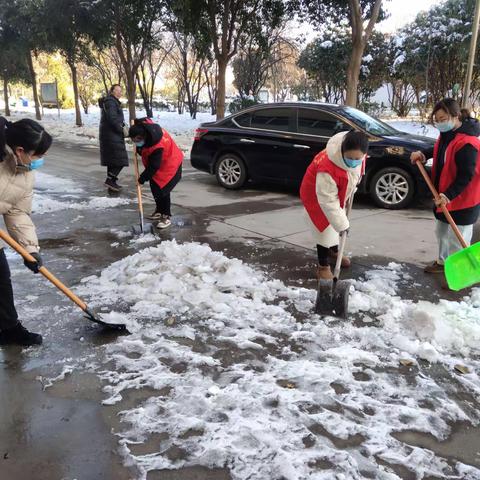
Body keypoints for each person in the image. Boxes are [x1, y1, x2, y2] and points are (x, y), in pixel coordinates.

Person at [410, 98, 480, 278]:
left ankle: (459, 274)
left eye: (443, 119)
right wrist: (423, 154)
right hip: (443, 196)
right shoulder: (448, 135)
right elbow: (438, 148)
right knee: (441, 232)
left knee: (457, 239)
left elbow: (466, 176)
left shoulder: (468, 143)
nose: (440, 123)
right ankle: (443, 263)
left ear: (456, 117)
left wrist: (448, 195)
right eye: (437, 120)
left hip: (463, 199)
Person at [0, 117, 53, 346]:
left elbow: (18, 213)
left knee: (1, 278)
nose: (40, 160)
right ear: (20, 150)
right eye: (38, 155)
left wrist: (29, 250)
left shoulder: (25, 173)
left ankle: (9, 329)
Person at [300, 130, 368, 280]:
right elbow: (327, 201)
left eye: (358, 158)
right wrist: (342, 224)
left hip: (336, 193)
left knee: (336, 221)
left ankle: (333, 250)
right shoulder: (327, 167)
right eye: (350, 158)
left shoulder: (359, 156)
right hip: (317, 196)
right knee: (324, 229)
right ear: (342, 151)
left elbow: (355, 171)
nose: (354, 161)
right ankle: (323, 266)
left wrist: (352, 187)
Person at [129, 118, 183, 229]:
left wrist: (142, 179)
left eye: (137, 140)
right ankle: (159, 211)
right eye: (133, 140)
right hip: (162, 162)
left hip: (171, 164)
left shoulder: (157, 145)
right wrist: (136, 121)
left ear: (143, 136)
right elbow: (145, 120)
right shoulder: (146, 128)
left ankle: (166, 216)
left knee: (163, 190)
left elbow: (153, 166)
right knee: (154, 186)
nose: (136, 143)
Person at [99, 84, 129, 192]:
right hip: (112, 135)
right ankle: (110, 180)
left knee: (113, 160)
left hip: (110, 135)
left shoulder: (111, 102)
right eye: (117, 90)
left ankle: (112, 182)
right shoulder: (111, 102)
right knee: (120, 159)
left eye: (121, 91)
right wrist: (122, 129)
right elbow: (113, 119)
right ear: (112, 91)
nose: (119, 93)